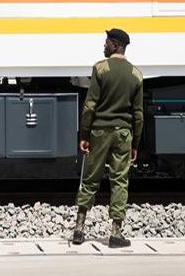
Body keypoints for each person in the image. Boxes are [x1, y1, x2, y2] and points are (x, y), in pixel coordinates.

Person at [71, 28, 143, 248]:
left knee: (90, 179)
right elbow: (138, 115)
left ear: (114, 45)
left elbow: (90, 106)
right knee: (120, 181)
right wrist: (135, 144)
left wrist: (84, 134)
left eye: (106, 42)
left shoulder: (100, 69)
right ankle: (116, 233)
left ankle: (79, 229)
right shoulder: (136, 75)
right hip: (123, 134)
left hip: (100, 132)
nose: (104, 46)